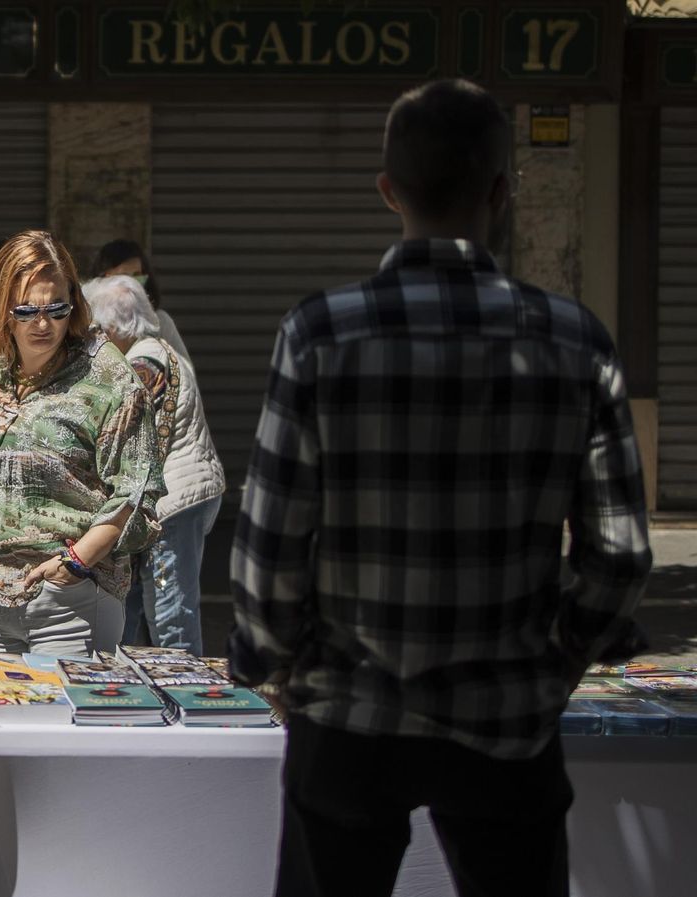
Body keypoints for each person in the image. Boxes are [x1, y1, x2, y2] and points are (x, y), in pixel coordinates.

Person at [228, 79, 652, 897]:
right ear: (501, 192)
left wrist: (277, 661)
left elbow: (269, 546)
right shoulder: (575, 341)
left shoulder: (321, 333)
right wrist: (561, 657)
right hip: (508, 722)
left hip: (347, 720)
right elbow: (621, 554)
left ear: (389, 190)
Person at [0, 230, 162, 657]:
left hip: (70, 603)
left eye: (56, 308)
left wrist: (75, 563)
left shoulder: (108, 378)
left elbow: (135, 490)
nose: (42, 323)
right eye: (26, 310)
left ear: (74, 304)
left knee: (63, 703)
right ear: (2, 307)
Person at [85, 275, 225, 654]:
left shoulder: (145, 363)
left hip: (174, 502)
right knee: (153, 607)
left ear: (114, 327)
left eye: (98, 328)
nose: (94, 337)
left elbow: (121, 432)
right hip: (179, 495)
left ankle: (185, 683)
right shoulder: (153, 351)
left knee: (170, 613)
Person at [92, 238, 192, 366]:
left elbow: (183, 370)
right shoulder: (89, 322)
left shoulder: (161, 322)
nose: (132, 283)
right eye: (124, 276)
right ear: (105, 279)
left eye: (137, 275)